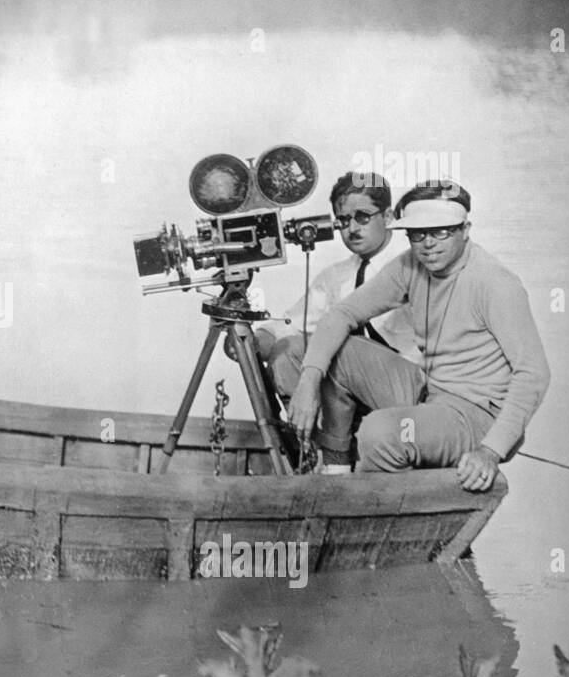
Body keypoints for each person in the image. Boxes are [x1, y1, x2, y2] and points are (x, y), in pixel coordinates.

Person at [286, 184, 549, 489]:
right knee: (319, 350)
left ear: (465, 230)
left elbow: (534, 374)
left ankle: (386, 518)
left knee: (378, 433)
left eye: (441, 232)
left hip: (477, 416)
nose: (428, 245)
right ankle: (336, 473)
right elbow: (342, 314)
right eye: (417, 234)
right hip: (428, 391)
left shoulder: (494, 283)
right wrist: (309, 381)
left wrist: (490, 451)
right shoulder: (412, 263)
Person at [234, 171, 417, 407]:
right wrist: (254, 342)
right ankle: (305, 439)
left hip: (411, 385)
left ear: (389, 216)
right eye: (343, 220)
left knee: (345, 346)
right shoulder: (335, 276)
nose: (352, 229)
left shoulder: (413, 263)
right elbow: (293, 323)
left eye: (363, 217)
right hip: (355, 392)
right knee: (288, 349)